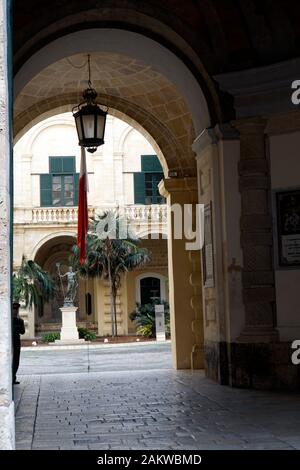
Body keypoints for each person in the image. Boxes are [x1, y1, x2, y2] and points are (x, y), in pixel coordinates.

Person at [12, 302, 25, 385]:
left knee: (16, 360)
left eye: (16, 310)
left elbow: (23, 332)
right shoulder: (7, 320)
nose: (15, 311)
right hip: (9, 343)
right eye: (14, 309)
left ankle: (13, 377)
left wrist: (18, 327)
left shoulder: (20, 321)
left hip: (16, 342)